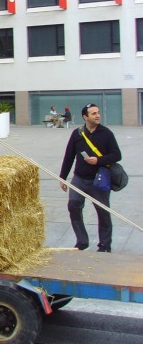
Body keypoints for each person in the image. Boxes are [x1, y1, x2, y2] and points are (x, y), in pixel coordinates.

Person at [59, 103, 122, 253]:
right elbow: (69, 156)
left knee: (103, 213)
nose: (97, 115)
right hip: (79, 179)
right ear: (85, 117)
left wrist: (98, 160)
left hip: (99, 181)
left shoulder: (106, 133)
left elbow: (117, 155)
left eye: (98, 112)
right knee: (73, 207)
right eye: (93, 113)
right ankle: (82, 241)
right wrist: (62, 177)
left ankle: (104, 246)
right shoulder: (77, 134)